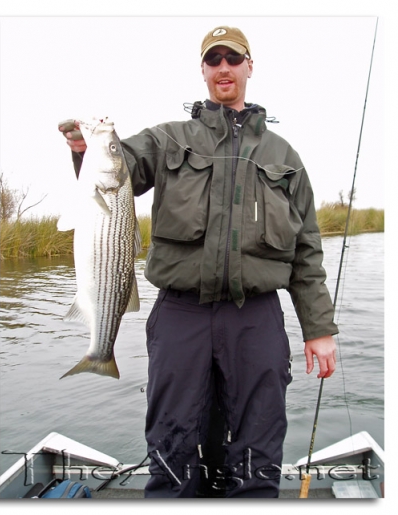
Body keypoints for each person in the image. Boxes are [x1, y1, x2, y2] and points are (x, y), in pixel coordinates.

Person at [59, 26, 338, 498]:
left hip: (256, 316)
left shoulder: (284, 157)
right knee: (173, 434)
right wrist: (85, 150)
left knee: (259, 437)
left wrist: (319, 328)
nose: (223, 67)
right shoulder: (168, 140)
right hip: (180, 314)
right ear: (203, 71)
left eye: (233, 58)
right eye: (214, 60)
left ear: (251, 66)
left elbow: (306, 248)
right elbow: (116, 169)